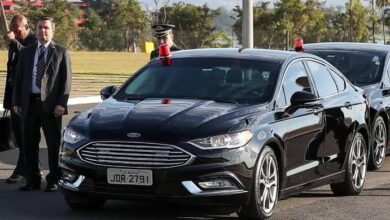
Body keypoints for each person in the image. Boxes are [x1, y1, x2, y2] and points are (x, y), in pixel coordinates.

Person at [12, 16, 72, 192]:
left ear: (52, 30)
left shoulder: (61, 52)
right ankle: (32, 179)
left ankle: (54, 178)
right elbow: (19, 79)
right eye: (39, 28)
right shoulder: (26, 52)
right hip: (29, 104)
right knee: (29, 142)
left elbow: (66, 81)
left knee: (53, 144)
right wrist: (16, 101)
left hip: (51, 106)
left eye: (46, 28)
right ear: (35, 29)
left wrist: (62, 103)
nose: (42, 31)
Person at [3, 15, 37, 184]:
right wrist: (8, 99)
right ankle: (28, 167)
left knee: (27, 136)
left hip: (27, 99)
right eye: (13, 32)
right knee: (18, 135)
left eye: (18, 31)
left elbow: (29, 58)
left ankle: (25, 169)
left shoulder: (33, 41)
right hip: (14, 97)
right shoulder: (16, 42)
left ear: (26, 27)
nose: (15, 35)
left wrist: (14, 43)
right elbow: (12, 71)